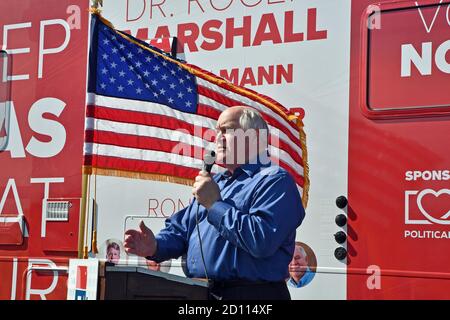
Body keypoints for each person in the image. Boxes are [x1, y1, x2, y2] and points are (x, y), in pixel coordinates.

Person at [124, 106, 305, 300]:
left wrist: (215, 205)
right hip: (201, 293)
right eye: (217, 131)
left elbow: (261, 240)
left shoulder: (275, 181)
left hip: (253, 295)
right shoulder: (216, 183)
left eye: (226, 130)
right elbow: (182, 231)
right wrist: (155, 246)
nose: (217, 137)